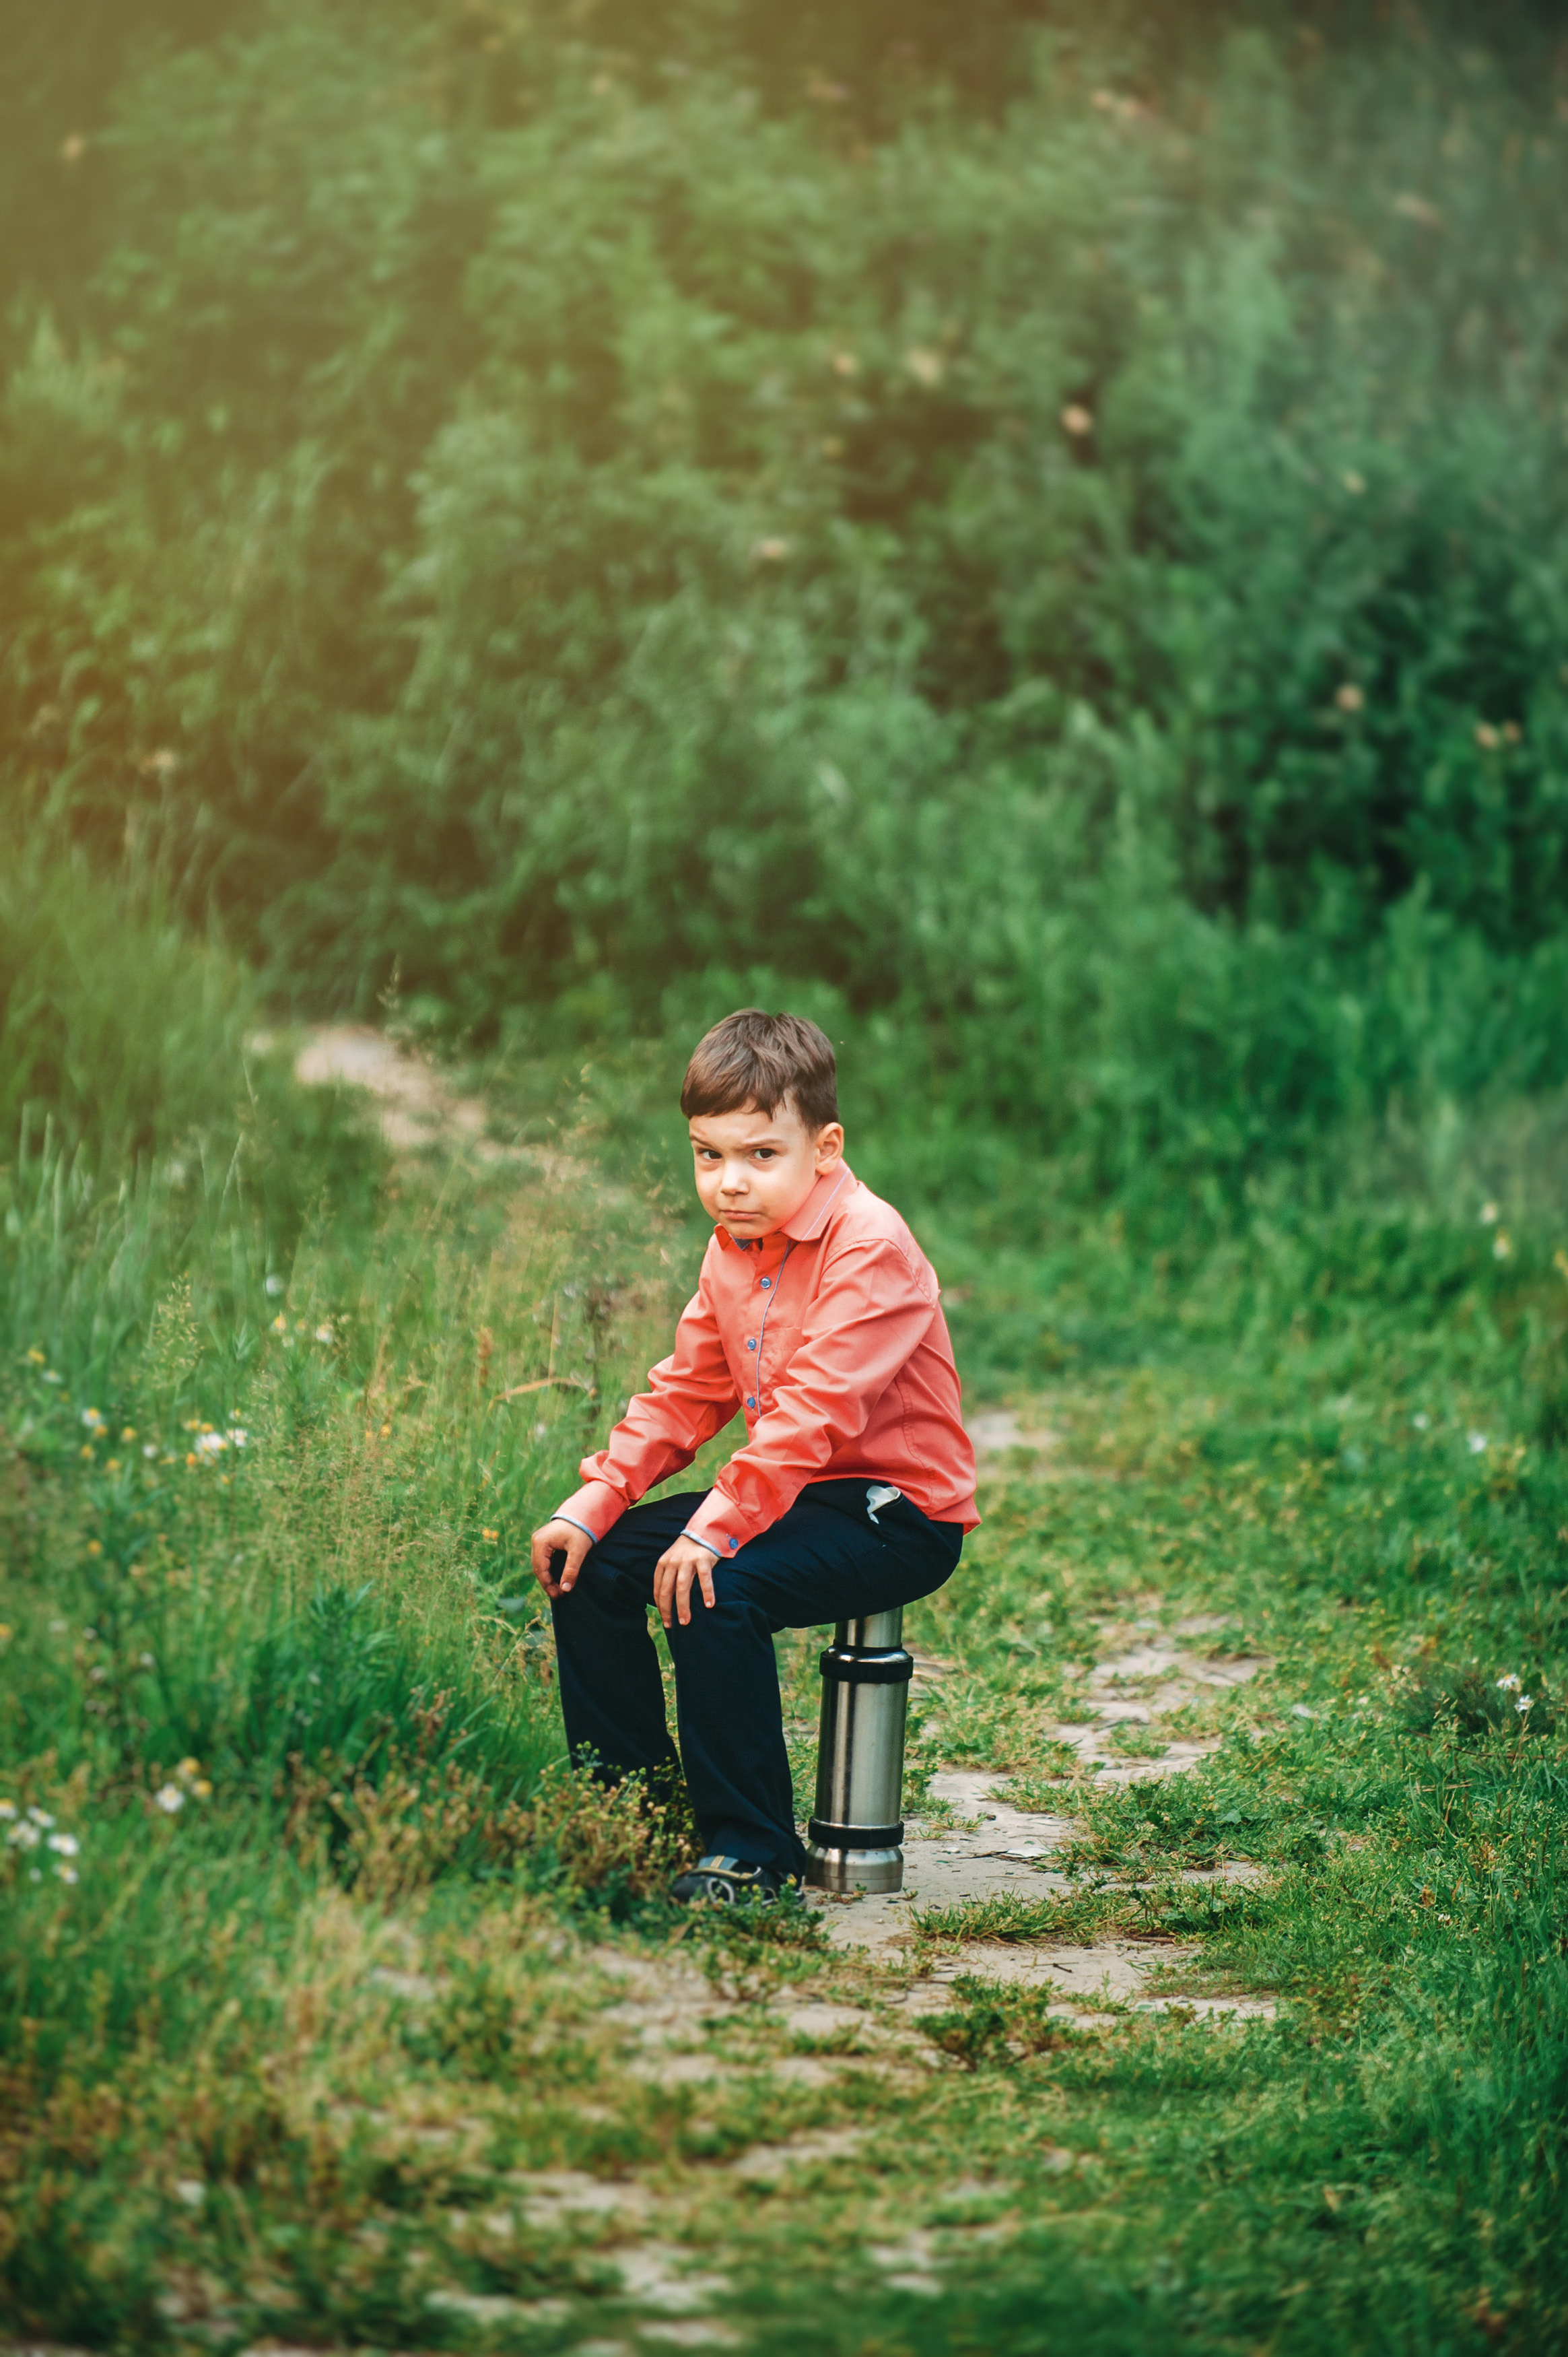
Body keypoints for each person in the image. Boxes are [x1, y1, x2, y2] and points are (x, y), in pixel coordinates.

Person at [529, 1008, 978, 1903]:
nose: (729, 1182)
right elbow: (686, 1393)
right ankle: (633, 1814)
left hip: (897, 1514)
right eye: (708, 1155)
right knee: (589, 1567)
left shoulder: (869, 1245)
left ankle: (750, 1855)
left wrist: (714, 1530)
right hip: (796, 1495)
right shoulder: (734, 1247)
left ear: (824, 1146)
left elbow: (810, 1416)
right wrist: (593, 1501)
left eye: (759, 1155)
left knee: (714, 1584)